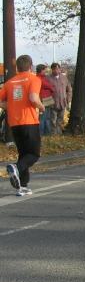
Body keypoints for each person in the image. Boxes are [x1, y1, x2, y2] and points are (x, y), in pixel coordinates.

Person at [1, 55, 46, 196]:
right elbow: (33, 98)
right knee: (33, 154)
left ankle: (23, 186)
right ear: (31, 66)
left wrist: (9, 106)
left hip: (14, 123)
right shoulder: (34, 79)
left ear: (17, 68)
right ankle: (16, 167)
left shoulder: (10, 82)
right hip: (29, 121)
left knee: (24, 154)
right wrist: (42, 107)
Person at [48, 62, 71, 135]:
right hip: (53, 103)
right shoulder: (48, 78)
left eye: (58, 69)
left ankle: (59, 132)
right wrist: (48, 102)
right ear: (52, 69)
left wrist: (68, 99)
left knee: (60, 119)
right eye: (54, 69)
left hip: (63, 102)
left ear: (60, 69)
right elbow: (46, 92)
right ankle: (53, 134)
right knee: (53, 120)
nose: (56, 70)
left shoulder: (64, 78)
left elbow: (69, 89)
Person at [35, 64, 55, 136]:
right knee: (43, 118)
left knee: (47, 117)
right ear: (41, 70)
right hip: (44, 100)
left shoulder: (43, 78)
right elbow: (50, 85)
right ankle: (42, 133)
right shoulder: (39, 78)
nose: (46, 71)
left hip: (46, 100)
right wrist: (51, 87)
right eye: (45, 70)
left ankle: (47, 133)